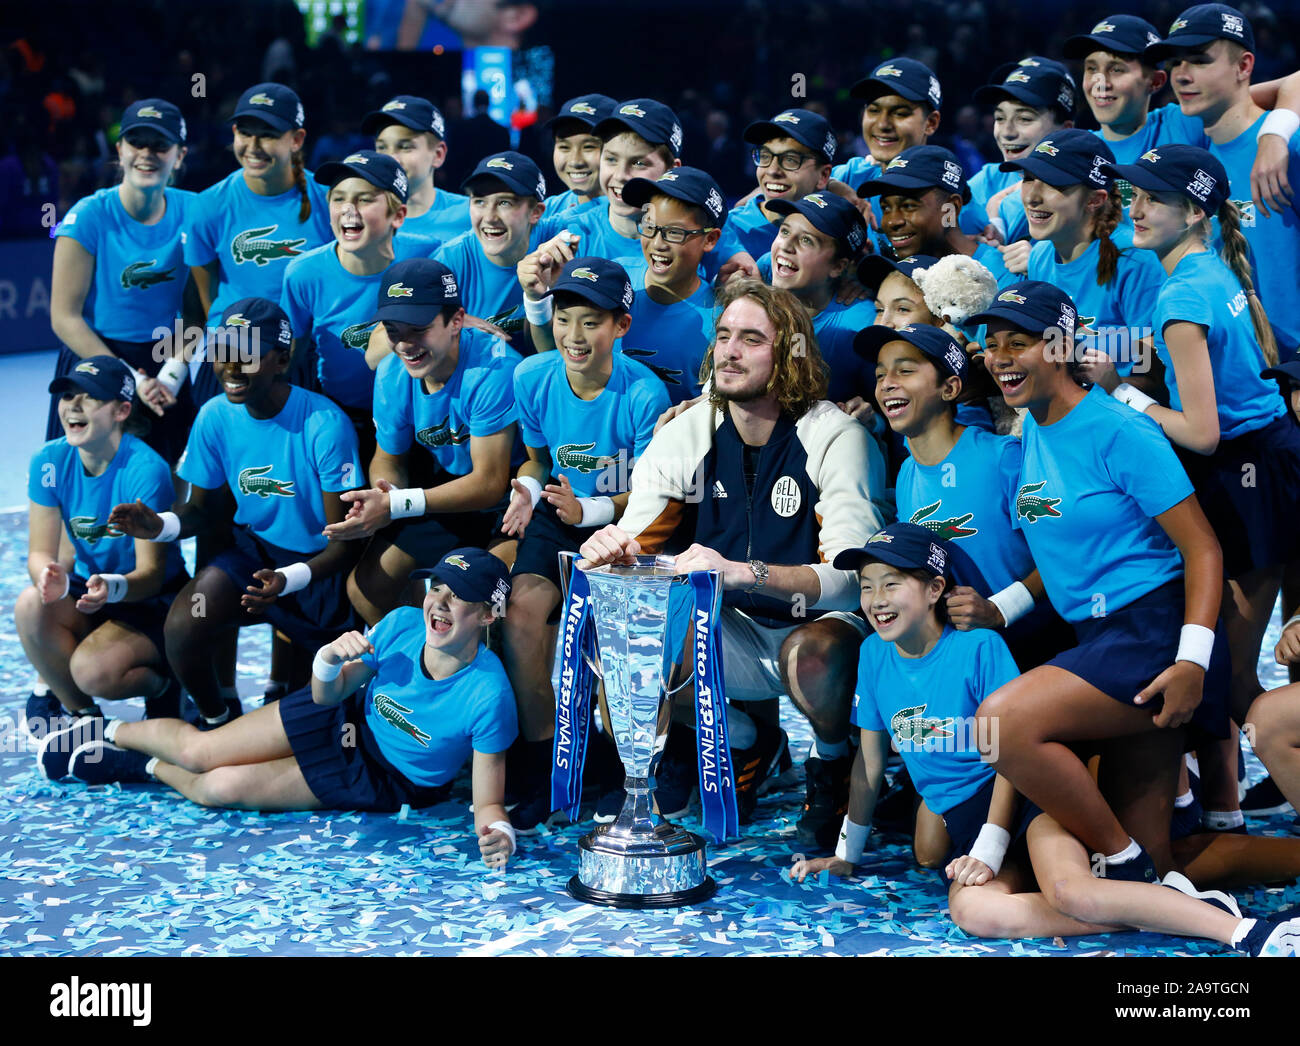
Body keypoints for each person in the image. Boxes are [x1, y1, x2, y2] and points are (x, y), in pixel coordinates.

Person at [789, 523, 1300, 957]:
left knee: (1071, 890)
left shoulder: (978, 647)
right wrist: (846, 853)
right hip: (967, 817)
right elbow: (869, 765)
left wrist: (991, 842)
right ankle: (1172, 909)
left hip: (1024, 797)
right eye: (866, 586)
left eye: (892, 583)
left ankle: (1246, 932)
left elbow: (1010, 756)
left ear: (934, 588)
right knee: (974, 911)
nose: (876, 600)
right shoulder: (875, 659)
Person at [578, 278, 892, 845]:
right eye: (723, 336)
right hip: (731, 630)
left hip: (818, 627)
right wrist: (609, 549)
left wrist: (748, 573)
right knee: (648, 627)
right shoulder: (688, 429)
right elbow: (639, 537)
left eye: (751, 339)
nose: (729, 351)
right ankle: (741, 739)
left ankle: (832, 763)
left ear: (790, 354)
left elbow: (857, 583)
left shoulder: (835, 436)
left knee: (813, 655)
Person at [970, 280, 1230, 883]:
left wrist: (1193, 662)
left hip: (1154, 637)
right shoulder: (1033, 425)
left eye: (1018, 342)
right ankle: (1153, 864)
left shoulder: (1121, 430)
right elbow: (1064, 556)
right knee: (1173, 862)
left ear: (1060, 348)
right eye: (992, 344)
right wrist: (1001, 608)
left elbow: (1204, 549)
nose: (1000, 357)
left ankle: (1124, 862)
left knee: (999, 724)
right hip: (1098, 639)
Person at [47, 547, 520, 870]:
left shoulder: (489, 695)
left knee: (219, 786)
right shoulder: (399, 625)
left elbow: (487, 801)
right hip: (341, 716)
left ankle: (143, 765)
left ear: (487, 615)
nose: (437, 602)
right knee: (201, 751)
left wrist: (498, 831)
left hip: (382, 778)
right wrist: (328, 659)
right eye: (436, 587)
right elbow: (326, 696)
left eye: (456, 596)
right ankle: (104, 732)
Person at [1101, 145, 1300, 835]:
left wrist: (1122, 392)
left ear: (1194, 212)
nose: (1138, 208)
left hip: (1245, 477)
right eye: (1134, 195)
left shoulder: (1182, 295)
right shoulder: (1212, 270)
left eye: (1153, 198)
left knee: (1233, 672)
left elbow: (1204, 432)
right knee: (1246, 662)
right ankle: (1227, 806)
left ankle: (1243, 802)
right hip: (1270, 466)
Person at [108, 299, 364, 729]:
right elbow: (202, 512)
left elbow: (345, 543)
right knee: (185, 625)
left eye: (246, 354)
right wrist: (161, 525)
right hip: (256, 557)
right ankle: (216, 718)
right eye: (222, 351)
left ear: (282, 360)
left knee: (307, 723)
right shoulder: (214, 416)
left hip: (320, 575)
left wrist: (290, 579)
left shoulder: (324, 424)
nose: (230, 366)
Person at [500, 258, 669, 826]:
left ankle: (619, 766)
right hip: (557, 510)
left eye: (590, 322)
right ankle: (543, 758)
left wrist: (592, 510)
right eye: (565, 318)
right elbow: (537, 458)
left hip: (625, 521)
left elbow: (653, 495)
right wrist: (526, 488)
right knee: (521, 614)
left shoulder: (645, 394)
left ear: (621, 326)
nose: (574, 335)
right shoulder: (531, 377)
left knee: (608, 638)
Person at [855, 322, 1071, 673]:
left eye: (905, 370)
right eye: (880, 376)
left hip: (1042, 648)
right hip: (971, 659)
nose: (887, 384)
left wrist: (1000, 608)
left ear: (950, 387)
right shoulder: (907, 474)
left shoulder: (1003, 457)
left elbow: (1067, 552)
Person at [333, 259, 520, 626]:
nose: (405, 343)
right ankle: (421, 674)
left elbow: (489, 483)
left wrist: (398, 503)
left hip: (508, 499)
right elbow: (388, 458)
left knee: (492, 612)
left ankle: (479, 678)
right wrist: (384, 497)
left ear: (455, 322)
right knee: (366, 587)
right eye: (393, 329)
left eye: (418, 329)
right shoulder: (391, 371)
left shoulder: (493, 370)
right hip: (443, 488)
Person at [20, 357, 188, 749]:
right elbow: (39, 553)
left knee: (93, 672)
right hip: (88, 589)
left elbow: (149, 575)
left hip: (150, 599)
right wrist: (48, 574)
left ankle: (167, 684)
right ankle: (83, 717)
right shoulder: (48, 461)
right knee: (30, 606)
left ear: (121, 411)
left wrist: (110, 588)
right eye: (67, 395)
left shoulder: (146, 468)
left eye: (89, 397)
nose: (72, 405)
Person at [47, 98, 197, 467]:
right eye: (137, 143)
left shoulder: (197, 212)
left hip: (167, 357)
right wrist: (131, 379)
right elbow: (64, 317)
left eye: (160, 145)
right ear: (119, 151)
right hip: (95, 356)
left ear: (179, 156)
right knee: (82, 484)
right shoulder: (87, 216)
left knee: (171, 479)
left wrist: (173, 375)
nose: (147, 154)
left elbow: (199, 309)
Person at [1147, 4, 1300, 361]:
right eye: (1175, 64)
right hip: (1236, 374)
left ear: (1244, 66)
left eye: (1199, 61)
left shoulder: (1288, 146)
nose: (1181, 75)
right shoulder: (1195, 154)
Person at [1000, 129, 1166, 392]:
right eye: (1029, 179)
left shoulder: (1134, 261)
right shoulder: (1041, 254)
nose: (1032, 196)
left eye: (1053, 184)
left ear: (1094, 199)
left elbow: (1155, 378)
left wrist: (1111, 383)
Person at [183, 83, 332, 364]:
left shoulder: (329, 201)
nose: (253, 147)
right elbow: (209, 298)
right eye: (245, 133)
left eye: (267, 135)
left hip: (309, 352)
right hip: (233, 351)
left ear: (297, 139)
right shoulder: (207, 205)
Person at [280, 150, 412, 461]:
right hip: (339, 414)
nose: (348, 210)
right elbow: (290, 358)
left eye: (365, 199)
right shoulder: (303, 273)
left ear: (398, 215)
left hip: (415, 415)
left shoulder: (429, 257)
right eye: (338, 198)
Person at [616, 168, 727, 404]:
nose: (657, 243)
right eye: (649, 226)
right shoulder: (616, 278)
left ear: (710, 239)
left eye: (674, 233)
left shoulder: (722, 320)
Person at [764, 191, 876, 405]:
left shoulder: (861, 327)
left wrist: (873, 422)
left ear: (838, 266)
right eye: (784, 231)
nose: (786, 247)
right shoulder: (763, 270)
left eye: (806, 240)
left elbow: (887, 417)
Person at [828, 58, 943, 245]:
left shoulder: (951, 200)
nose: (882, 125)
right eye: (874, 110)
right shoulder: (850, 177)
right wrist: (830, 186)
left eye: (900, 113)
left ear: (931, 123)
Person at [858, 145, 1008, 282]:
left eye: (909, 206)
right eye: (886, 208)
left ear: (951, 209)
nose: (892, 222)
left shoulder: (999, 278)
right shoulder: (895, 273)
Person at [967, 58, 1076, 246]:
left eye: (1025, 118)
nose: (1007, 133)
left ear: (1065, 129)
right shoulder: (989, 178)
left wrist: (1036, 260)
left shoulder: (1083, 186)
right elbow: (945, 219)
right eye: (1000, 118)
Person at [725, 108, 837, 260]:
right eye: (765, 156)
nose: (772, 170)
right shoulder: (727, 230)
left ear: (823, 176)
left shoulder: (837, 234)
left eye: (790, 159)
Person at [365, 95, 470, 253]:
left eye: (405, 147)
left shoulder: (472, 216)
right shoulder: (362, 220)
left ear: (438, 154)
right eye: (382, 148)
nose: (391, 159)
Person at [540, 94, 616, 219]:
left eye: (589, 147)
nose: (575, 161)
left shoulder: (640, 216)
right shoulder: (547, 211)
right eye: (564, 147)